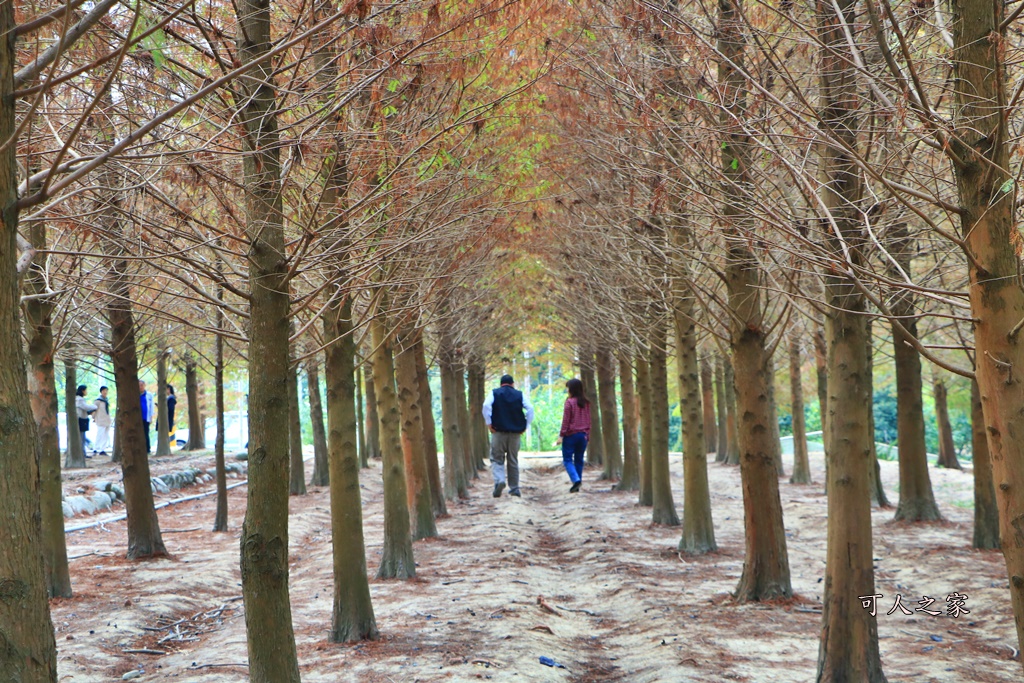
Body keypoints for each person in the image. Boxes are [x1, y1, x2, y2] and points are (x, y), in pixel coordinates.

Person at [482, 374, 534, 498]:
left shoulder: (494, 393)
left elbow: (486, 406)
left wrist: (489, 423)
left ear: (501, 384)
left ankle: (500, 480)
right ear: (512, 384)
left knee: (497, 458)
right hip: (515, 434)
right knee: (513, 460)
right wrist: (525, 426)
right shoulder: (519, 395)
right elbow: (530, 409)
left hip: (498, 432)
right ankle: (514, 489)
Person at [557, 378, 592, 493]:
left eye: (568, 388)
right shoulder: (586, 402)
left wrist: (561, 435)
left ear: (571, 389)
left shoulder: (569, 402)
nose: (567, 390)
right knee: (579, 459)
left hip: (571, 435)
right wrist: (588, 434)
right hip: (583, 435)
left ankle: (576, 480)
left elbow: (566, 420)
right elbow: (589, 420)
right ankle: (578, 482)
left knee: (567, 460)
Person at [74, 385, 96, 458]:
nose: (86, 392)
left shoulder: (77, 399)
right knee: (82, 437)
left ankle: (82, 452)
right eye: (86, 390)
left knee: (82, 437)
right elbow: (86, 407)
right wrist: (95, 406)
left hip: (81, 419)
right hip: (81, 420)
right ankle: (82, 453)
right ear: (83, 391)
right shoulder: (79, 399)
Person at [93, 386, 112, 456]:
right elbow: (94, 410)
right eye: (104, 390)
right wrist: (94, 417)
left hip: (107, 420)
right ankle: (95, 448)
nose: (105, 392)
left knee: (105, 435)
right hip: (100, 419)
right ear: (101, 391)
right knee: (99, 434)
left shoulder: (106, 400)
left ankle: (102, 449)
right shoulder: (98, 401)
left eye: (106, 390)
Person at [139, 380, 153, 454]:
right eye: (139, 385)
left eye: (142, 385)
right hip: (138, 418)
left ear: (144, 386)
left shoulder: (149, 395)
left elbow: (151, 407)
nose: (140, 387)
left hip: (146, 417)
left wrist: (151, 417)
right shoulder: (135, 395)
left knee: (146, 433)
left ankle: (147, 449)